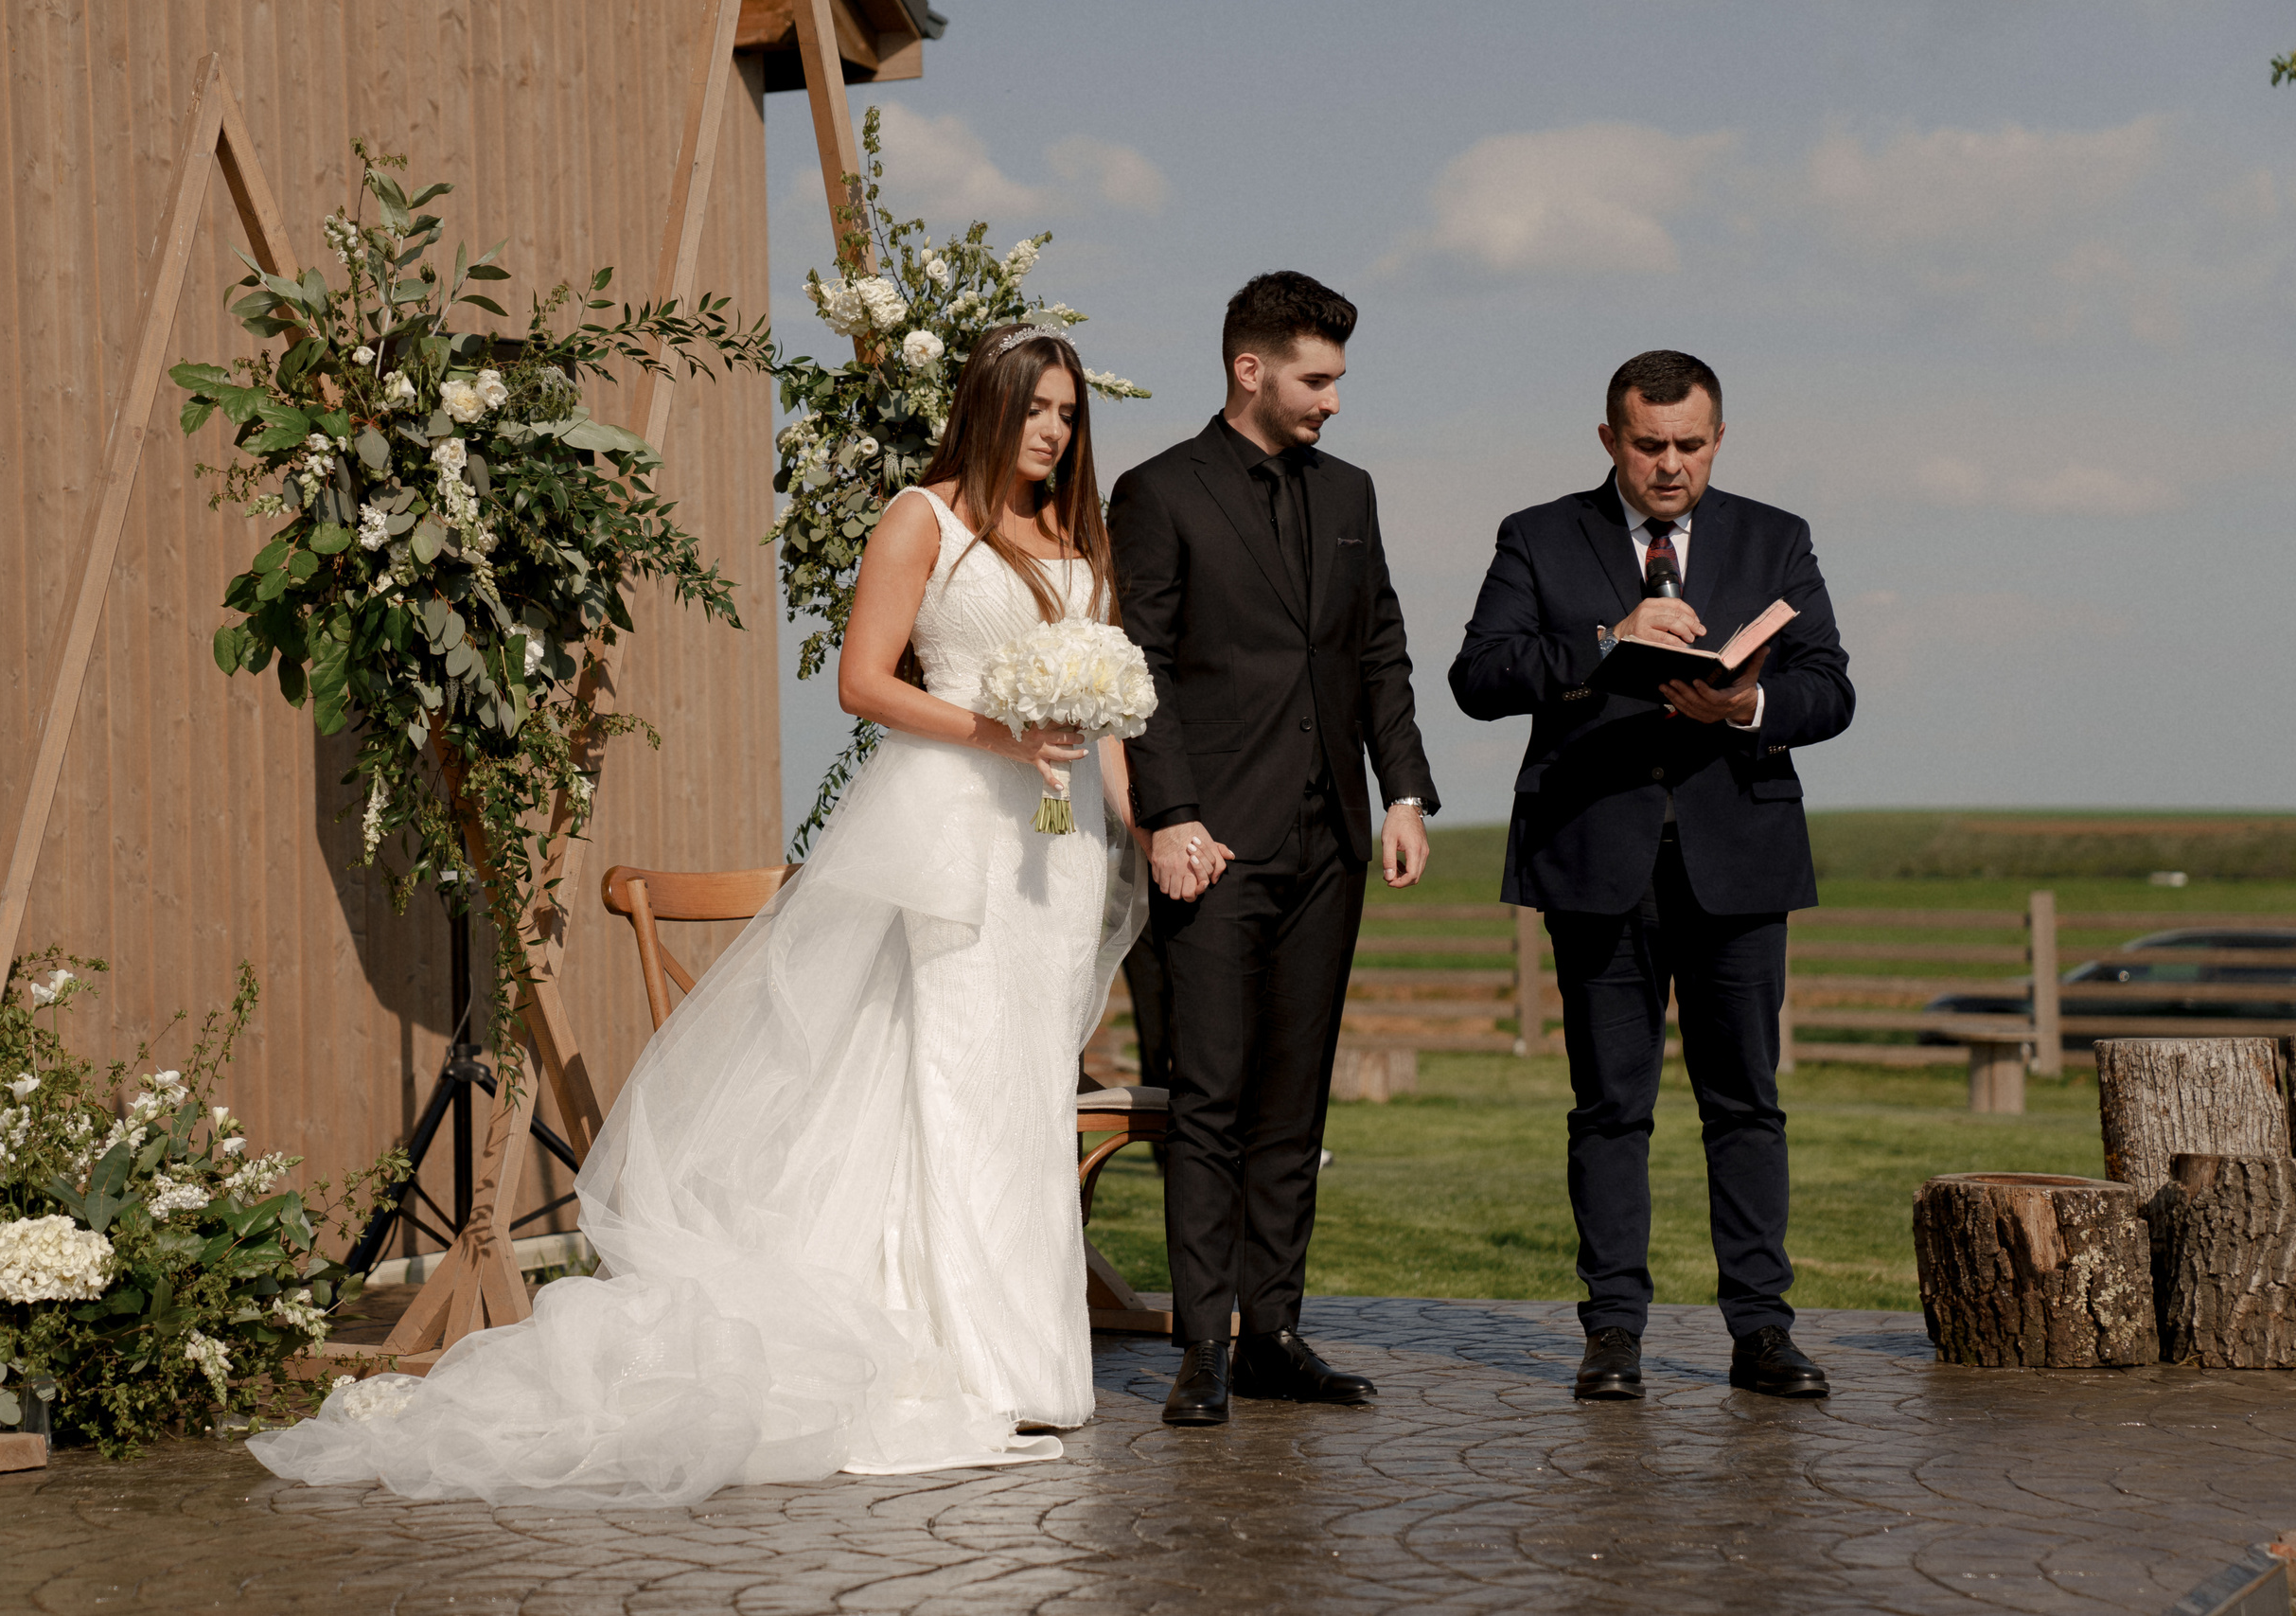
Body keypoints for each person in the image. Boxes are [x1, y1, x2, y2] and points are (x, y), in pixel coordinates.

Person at [247, 324, 1145, 1507]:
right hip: (950, 828)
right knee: (952, 1077)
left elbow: (1113, 706)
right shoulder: (923, 518)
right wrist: (998, 733)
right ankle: (959, 1357)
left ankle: (1032, 1360)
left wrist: (1130, 818)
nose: (1054, 430)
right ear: (986, 404)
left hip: (1052, 846)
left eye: (1069, 413)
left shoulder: (1077, 538)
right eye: (1036, 407)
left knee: (1021, 1086)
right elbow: (865, 680)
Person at [1448, 350, 1855, 1402]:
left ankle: (1762, 1333)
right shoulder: (1538, 535)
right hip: (1595, 857)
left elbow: (1829, 686)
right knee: (1609, 1109)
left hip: (1740, 856)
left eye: (1690, 444)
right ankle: (1613, 1336)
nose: (1670, 466)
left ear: (1719, 438)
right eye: (1648, 445)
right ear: (1608, 439)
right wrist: (1602, 642)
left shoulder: (1777, 538)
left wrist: (1749, 709)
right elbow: (1479, 676)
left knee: (1746, 1106)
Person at [1110, 272, 1439, 1427]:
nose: (1333, 401)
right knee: (1209, 1101)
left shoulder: (1350, 492)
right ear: (1249, 370)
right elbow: (1136, 663)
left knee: (1293, 1103)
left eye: (1338, 379)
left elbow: (1378, 647)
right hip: (1211, 843)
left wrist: (1401, 790)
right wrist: (1170, 815)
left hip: (1330, 838)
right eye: (1316, 378)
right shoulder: (1156, 492)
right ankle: (1201, 1348)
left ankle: (1273, 1334)